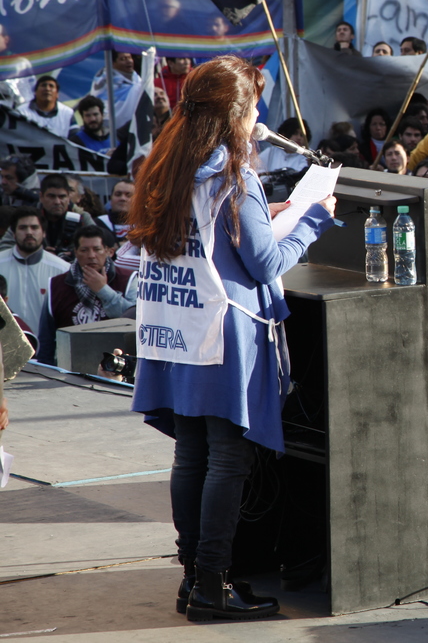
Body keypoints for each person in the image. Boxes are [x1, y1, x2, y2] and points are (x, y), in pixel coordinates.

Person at [128, 56, 336, 622]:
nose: (258, 118)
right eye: (254, 107)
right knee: (227, 457)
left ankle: (194, 577)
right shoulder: (235, 177)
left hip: (174, 326)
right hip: (222, 334)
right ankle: (213, 586)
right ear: (235, 113)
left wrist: (269, 215)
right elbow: (266, 264)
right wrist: (312, 220)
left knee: (191, 452)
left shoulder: (166, 165)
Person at [36, 224, 137, 363]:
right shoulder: (56, 285)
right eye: (84, 250)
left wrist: (103, 290)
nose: (91, 256)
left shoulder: (128, 279)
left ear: (108, 251)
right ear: (75, 252)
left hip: (114, 365)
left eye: (97, 249)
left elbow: (133, 322)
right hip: (69, 366)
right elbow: (46, 338)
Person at [0, 208, 71, 327]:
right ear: (14, 234)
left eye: (34, 227)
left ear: (44, 232)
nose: (29, 232)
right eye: (23, 228)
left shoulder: (63, 270)